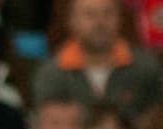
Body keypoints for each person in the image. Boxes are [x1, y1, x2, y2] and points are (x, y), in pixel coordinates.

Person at [33, 0, 163, 122]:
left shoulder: (146, 67)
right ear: (72, 21)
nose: (100, 22)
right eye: (90, 14)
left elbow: (156, 117)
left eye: (108, 13)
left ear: (120, 18)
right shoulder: (52, 74)